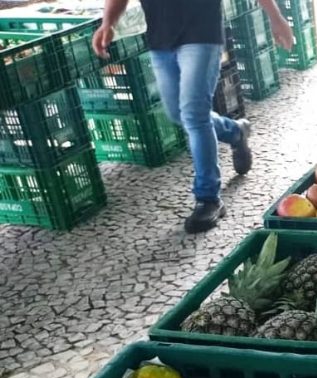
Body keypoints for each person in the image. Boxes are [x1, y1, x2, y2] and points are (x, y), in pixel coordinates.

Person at [92, 0, 295, 233]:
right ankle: (235, 131)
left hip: (202, 33)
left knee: (194, 116)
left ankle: (208, 198)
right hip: (161, 39)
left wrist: (275, 17)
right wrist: (108, 23)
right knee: (178, 114)